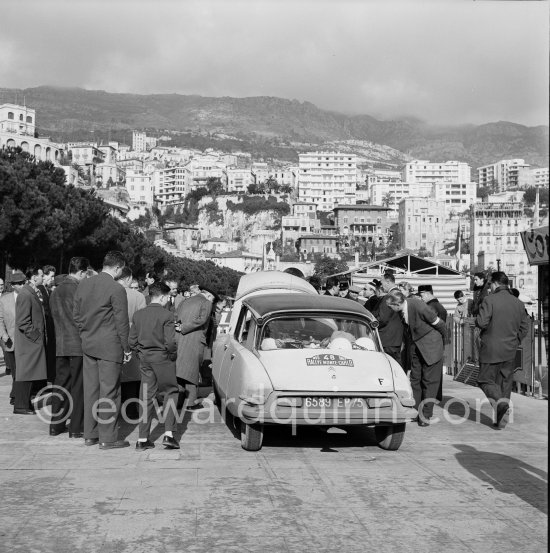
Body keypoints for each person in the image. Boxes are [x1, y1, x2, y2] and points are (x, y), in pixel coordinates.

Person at [73, 251, 131, 449]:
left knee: (91, 390)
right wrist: (127, 348)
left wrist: (85, 334)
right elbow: (122, 322)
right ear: (117, 268)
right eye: (121, 269)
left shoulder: (84, 284)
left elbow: (76, 315)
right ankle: (108, 437)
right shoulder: (116, 288)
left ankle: (91, 434)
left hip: (88, 343)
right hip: (109, 346)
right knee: (110, 392)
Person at [475, 271, 529, 429]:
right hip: (510, 350)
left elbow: (482, 322)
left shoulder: (489, 300)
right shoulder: (518, 303)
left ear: (495, 283)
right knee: (504, 384)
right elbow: (525, 327)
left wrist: (478, 318)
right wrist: (515, 340)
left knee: (485, 380)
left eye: (490, 284)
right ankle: (500, 421)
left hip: (491, 349)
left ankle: (501, 406)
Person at [130, 282, 180, 451]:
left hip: (145, 358)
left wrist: (140, 353)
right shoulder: (167, 315)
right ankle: (169, 435)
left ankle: (142, 438)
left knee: (146, 396)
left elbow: (132, 341)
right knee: (170, 393)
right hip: (163, 357)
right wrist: (172, 355)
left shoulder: (138, 315)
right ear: (164, 296)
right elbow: (170, 342)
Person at [386, 289, 446, 426]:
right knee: (415, 379)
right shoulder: (402, 310)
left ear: (397, 304)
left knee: (430, 382)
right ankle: (414, 411)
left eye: (391, 307)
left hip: (431, 346)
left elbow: (439, 324)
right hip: (416, 346)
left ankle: (425, 415)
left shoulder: (418, 306)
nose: (390, 310)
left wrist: (442, 343)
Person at [49, 257, 90, 438]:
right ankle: (76, 427)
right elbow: (83, 319)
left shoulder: (56, 291)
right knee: (78, 387)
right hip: (77, 345)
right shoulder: (79, 290)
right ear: (81, 272)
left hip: (61, 344)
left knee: (60, 385)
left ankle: (55, 425)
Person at [13, 266, 48, 415]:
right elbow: (22, 322)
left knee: (29, 375)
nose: (43, 277)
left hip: (31, 342)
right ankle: (20, 406)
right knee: (25, 374)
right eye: (41, 275)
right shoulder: (26, 294)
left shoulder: (29, 292)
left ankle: (24, 404)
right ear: (34, 277)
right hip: (29, 342)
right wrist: (36, 337)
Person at [175, 286, 216, 409]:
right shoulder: (206, 302)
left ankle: (179, 401)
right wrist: (184, 327)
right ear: (209, 296)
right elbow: (202, 320)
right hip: (195, 340)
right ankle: (190, 403)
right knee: (192, 372)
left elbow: (176, 316)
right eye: (213, 299)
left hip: (179, 339)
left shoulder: (184, 301)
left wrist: (180, 327)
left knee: (180, 371)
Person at [116, 266, 147, 414]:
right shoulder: (137, 296)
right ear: (128, 278)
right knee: (133, 375)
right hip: (132, 336)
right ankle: (131, 410)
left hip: (112, 336)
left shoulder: (110, 292)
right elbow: (142, 320)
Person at [0, 271, 26, 404]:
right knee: (15, 370)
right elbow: (0, 319)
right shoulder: (4, 300)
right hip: (10, 341)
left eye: (23, 283)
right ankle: (15, 394)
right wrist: (3, 334)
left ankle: (16, 395)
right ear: (13, 285)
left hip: (26, 341)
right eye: (18, 284)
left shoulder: (29, 297)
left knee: (21, 370)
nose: (21, 286)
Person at [375, 273, 404, 364]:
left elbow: (383, 319)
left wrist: (372, 325)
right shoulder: (399, 294)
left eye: (382, 282)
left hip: (387, 339)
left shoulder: (389, 296)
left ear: (388, 282)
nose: (381, 285)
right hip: (395, 339)